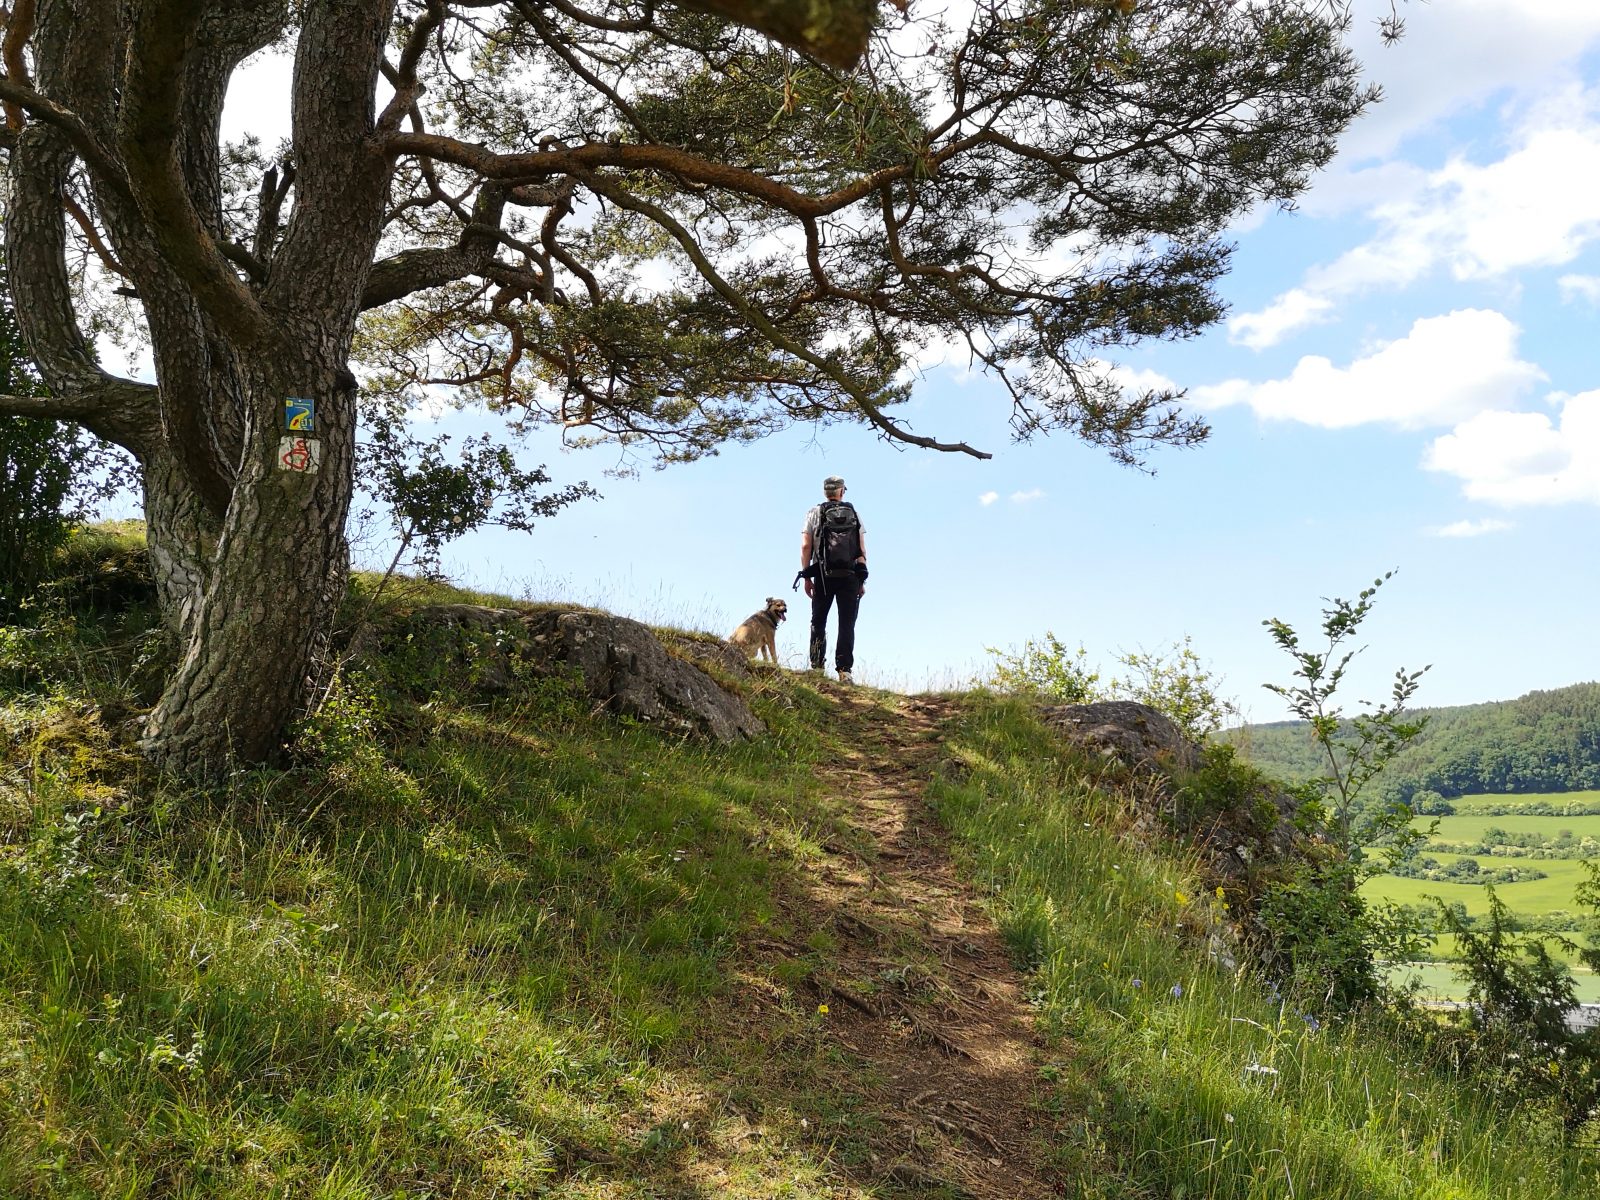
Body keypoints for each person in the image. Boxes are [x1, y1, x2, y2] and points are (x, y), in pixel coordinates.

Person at [800, 475, 867, 683]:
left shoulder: (814, 513)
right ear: (841, 492)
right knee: (847, 623)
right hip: (850, 576)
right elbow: (861, 549)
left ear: (825, 492)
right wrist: (861, 580)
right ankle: (845, 671)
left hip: (822, 574)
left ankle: (818, 667)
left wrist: (806, 576)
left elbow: (805, 546)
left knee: (819, 620)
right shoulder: (853, 512)